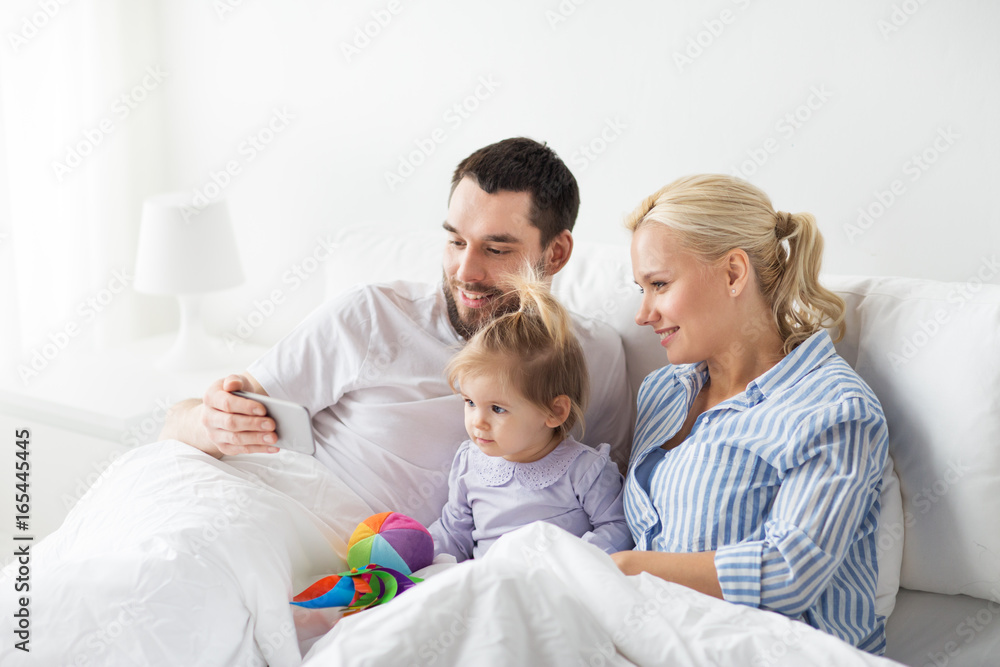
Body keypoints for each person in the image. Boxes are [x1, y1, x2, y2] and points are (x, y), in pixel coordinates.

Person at [161, 137, 632, 526]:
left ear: (556, 254)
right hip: (295, 522)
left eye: (495, 249)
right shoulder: (371, 317)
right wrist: (211, 420)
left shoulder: (593, 357)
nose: (465, 271)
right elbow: (179, 421)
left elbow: (601, 492)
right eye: (455, 241)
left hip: (432, 573)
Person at [612, 174, 889, 654]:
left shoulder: (836, 410)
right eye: (641, 288)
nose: (644, 313)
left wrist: (628, 568)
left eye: (658, 284)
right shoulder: (663, 393)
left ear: (734, 273)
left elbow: (788, 571)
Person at [428, 272, 633, 561]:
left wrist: (575, 563)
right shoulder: (469, 463)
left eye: (497, 408)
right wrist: (414, 557)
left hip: (553, 585)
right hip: (488, 584)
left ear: (554, 412)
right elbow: (454, 532)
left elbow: (618, 527)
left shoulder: (585, 471)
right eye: (470, 402)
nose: (478, 421)